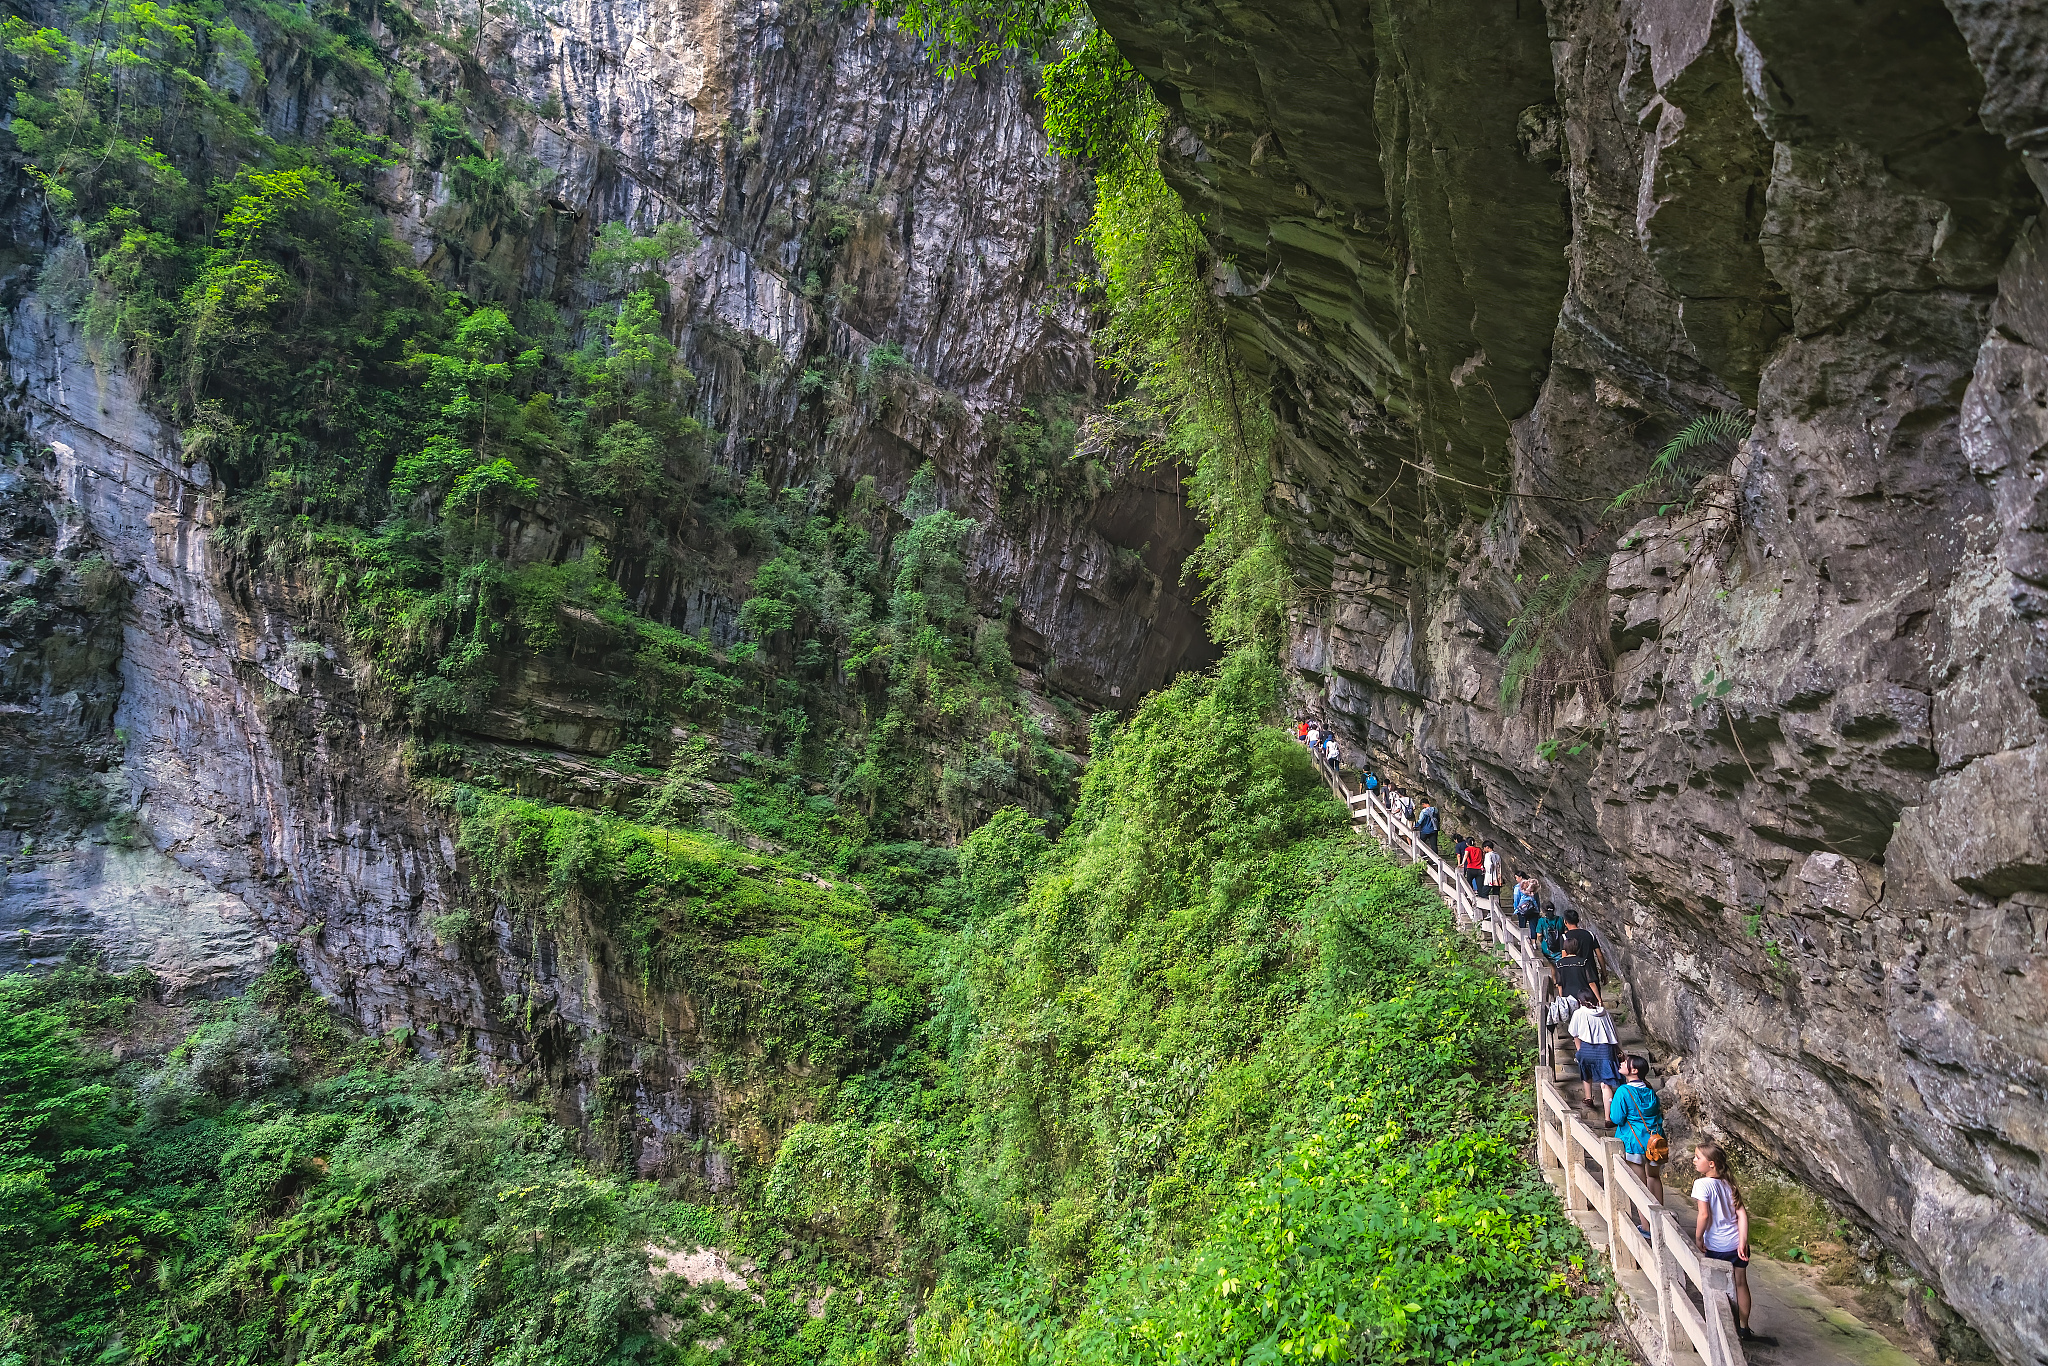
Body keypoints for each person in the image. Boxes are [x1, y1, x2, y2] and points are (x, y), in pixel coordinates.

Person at [1692, 1142, 1755, 1340]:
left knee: (1719, 1289)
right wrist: (1742, 1242)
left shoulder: (1702, 1184)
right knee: (1741, 1284)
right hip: (1736, 1245)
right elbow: (1742, 1214)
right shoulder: (1729, 1184)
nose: (1694, 1160)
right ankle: (1744, 1327)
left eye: (1698, 1157)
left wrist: (1698, 1237)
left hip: (1717, 1246)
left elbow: (1703, 1215)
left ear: (1711, 1164)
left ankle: (1724, 1330)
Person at [1611, 1054, 1667, 1228]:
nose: (1621, 1063)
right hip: (1655, 1142)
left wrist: (1612, 1102)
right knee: (1654, 1178)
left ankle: (1647, 1227)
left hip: (1634, 1143)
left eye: (1625, 1063)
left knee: (1639, 1185)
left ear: (1634, 1070)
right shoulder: (1650, 1091)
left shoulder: (1623, 1091)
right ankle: (1662, 1223)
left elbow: (1617, 1118)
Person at [1568, 990, 1620, 1113]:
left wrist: (1579, 1051)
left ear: (1579, 1002)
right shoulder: (1604, 1012)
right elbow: (1614, 1032)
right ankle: (1608, 1117)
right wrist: (1619, 1049)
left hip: (1587, 1048)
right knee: (1606, 1084)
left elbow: (1574, 1033)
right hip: (1606, 1049)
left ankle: (1588, 1097)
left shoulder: (1578, 1013)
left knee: (1586, 1072)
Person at [1553, 910, 1603, 1002]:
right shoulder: (1590, 934)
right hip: (1591, 973)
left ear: (1565, 921)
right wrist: (1604, 972)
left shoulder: (1565, 937)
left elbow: (1564, 958)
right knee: (1593, 1002)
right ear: (1578, 920)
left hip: (1572, 976)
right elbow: (1599, 955)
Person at [1481, 841, 1504, 908]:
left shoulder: (1488, 855)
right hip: (1497, 877)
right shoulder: (1497, 855)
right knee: (1496, 894)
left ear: (1487, 847)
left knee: (1484, 893)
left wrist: (1486, 870)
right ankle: (1498, 909)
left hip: (1490, 877)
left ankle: (1490, 908)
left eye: (1484, 848)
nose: (1484, 849)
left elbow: (1489, 865)